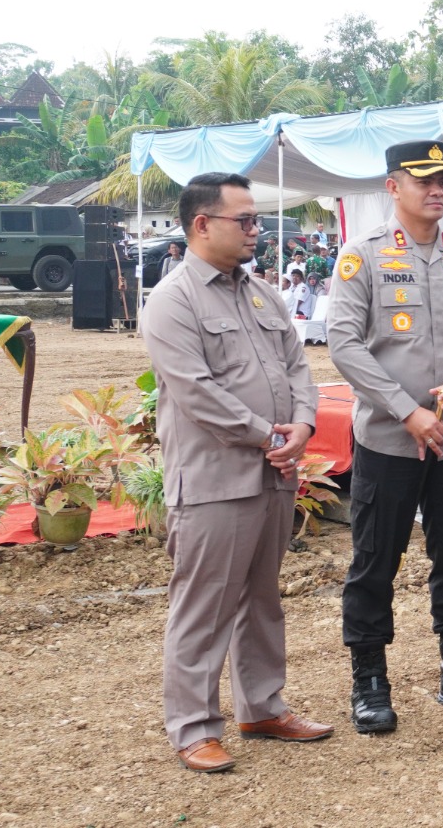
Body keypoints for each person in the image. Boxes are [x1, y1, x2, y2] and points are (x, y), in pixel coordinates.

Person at [140, 172, 330, 773]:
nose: (257, 231)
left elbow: (298, 365)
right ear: (203, 224)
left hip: (273, 472)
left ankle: (262, 706)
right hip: (216, 479)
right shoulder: (172, 299)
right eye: (244, 221)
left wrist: (302, 424)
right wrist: (266, 434)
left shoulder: (263, 293)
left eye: (256, 220)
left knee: (262, 598)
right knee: (205, 603)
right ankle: (194, 727)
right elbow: (194, 391)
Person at [327, 140, 443, 734]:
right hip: (389, 440)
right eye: (424, 179)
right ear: (393, 187)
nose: (438, 190)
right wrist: (408, 411)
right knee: (376, 560)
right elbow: (345, 345)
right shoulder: (364, 257)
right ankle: (370, 680)